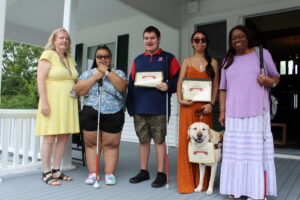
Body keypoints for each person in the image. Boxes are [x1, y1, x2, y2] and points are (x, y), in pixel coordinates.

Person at [218, 25, 279, 200]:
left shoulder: (261, 54)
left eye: (241, 36)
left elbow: (276, 77)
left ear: (248, 37)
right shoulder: (227, 60)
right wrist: (222, 111)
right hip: (234, 114)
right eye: (234, 38)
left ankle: (256, 190)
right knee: (235, 153)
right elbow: (223, 89)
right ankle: (235, 188)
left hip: (257, 112)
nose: (237, 40)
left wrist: (268, 81)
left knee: (256, 154)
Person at [126, 26, 180, 188]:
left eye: (152, 38)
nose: (149, 41)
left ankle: (161, 173)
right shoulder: (138, 60)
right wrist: (131, 106)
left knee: (159, 140)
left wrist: (168, 85)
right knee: (143, 141)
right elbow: (131, 83)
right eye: (146, 38)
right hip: (140, 108)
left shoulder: (169, 58)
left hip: (159, 108)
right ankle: (144, 171)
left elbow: (178, 79)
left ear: (158, 39)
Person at [75, 45, 127, 185]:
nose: (103, 59)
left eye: (106, 56)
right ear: (95, 59)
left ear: (110, 58)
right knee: (91, 144)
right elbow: (79, 90)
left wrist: (107, 73)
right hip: (91, 111)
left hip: (114, 111)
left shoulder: (118, 73)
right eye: (99, 57)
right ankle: (93, 173)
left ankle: (110, 174)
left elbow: (122, 87)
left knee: (111, 144)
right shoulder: (87, 74)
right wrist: (97, 75)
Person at [176, 31, 219, 193]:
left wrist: (211, 104)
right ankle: (187, 182)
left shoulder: (213, 62)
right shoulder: (186, 61)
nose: (199, 42)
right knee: (187, 142)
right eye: (196, 40)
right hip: (187, 106)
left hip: (205, 109)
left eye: (203, 40)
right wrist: (180, 100)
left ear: (206, 43)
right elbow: (180, 82)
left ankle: (204, 183)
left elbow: (216, 85)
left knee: (205, 143)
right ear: (191, 43)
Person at [36, 28, 79, 186]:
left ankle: (56, 170)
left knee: (63, 137)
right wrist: (44, 102)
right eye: (61, 38)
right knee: (49, 137)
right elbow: (40, 79)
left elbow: (73, 79)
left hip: (68, 103)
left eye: (67, 38)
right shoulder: (48, 55)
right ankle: (46, 172)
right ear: (54, 40)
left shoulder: (70, 58)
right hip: (52, 101)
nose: (64, 41)